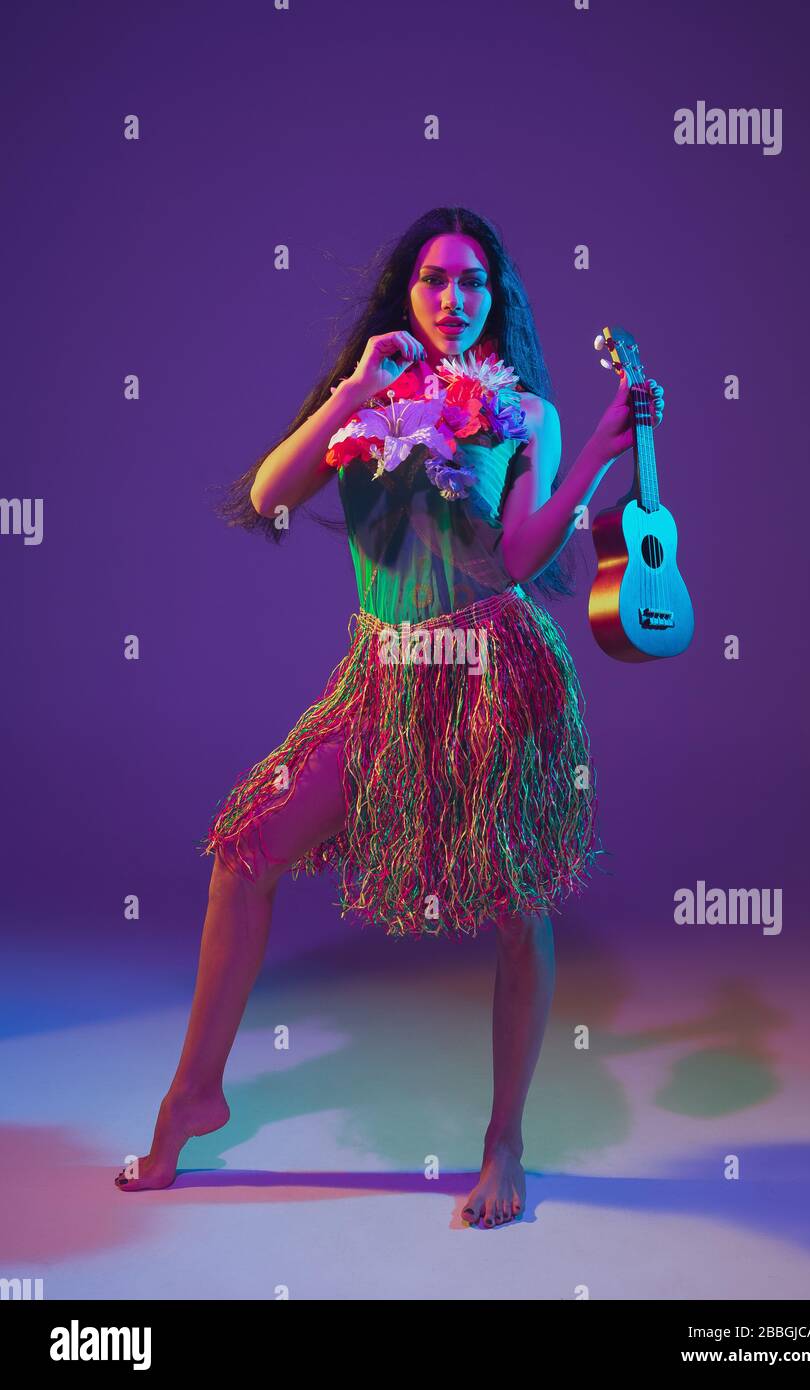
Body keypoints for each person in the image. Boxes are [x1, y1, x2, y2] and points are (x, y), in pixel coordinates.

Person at [114, 207, 664, 1227]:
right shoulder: (365, 404)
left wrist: (592, 441)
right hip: (382, 680)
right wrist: (356, 394)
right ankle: (194, 1093)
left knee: (516, 908)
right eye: (433, 281)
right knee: (245, 852)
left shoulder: (521, 415)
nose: (453, 299)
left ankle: (504, 1142)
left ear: (495, 300)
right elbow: (274, 492)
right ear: (403, 296)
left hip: (492, 676)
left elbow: (524, 553)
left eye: (472, 283)